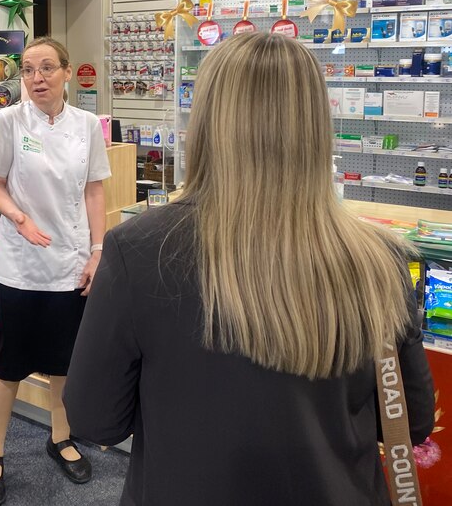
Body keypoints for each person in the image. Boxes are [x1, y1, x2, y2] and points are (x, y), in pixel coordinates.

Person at [64, 32, 436, 506]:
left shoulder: (138, 250)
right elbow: (409, 418)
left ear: (206, 124)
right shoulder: (378, 258)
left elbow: (94, 418)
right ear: (316, 126)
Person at [0, 36, 111, 505]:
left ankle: (60, 437)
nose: (37, 77)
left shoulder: (89, 125)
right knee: (8, 364)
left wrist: (97, 251)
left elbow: (95, 191)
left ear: (67, 73)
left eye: (47, 67)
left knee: (65, 363)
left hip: (69, 262)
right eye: (28, 69)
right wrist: (18, 217)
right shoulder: (8, 120)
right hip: (20, 265)